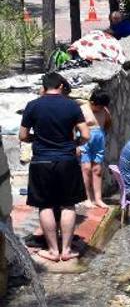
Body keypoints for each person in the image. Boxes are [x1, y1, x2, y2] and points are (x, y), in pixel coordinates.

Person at [19, 72, 90, 262]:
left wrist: (39, 139)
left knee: (45, 205)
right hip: (66, 160)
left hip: (41, 160)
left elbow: (23, 136)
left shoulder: (33, 106)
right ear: (60, 85)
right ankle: (66, 250)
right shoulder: (72, 105)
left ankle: (52, 251)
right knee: (68, 204)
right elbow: (85, 135)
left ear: (45, 86)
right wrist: (71, 143)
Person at [79, 89, 112, 209]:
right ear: (92, 102)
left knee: (97, 170)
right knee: (86, 169)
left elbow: (108, 122)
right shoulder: (83, 110)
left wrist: (103, 133)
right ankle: (87, 197)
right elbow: (74, 126)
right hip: (85, 141)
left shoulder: (104, 110)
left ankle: (98, 199)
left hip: (99, 141)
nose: (100, 109)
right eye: (98, 106)